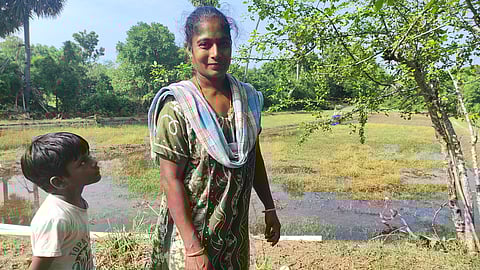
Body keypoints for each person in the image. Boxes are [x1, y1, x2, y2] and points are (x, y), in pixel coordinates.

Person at [148, 6, 281, 270]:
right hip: (192, 238)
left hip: (234, 237)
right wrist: (193, 248)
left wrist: (269, 208)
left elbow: (253, 158)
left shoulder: (247, 101)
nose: (215, 54)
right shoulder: (177, 108)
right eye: (205, 44)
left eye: (223, 44)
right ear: (190, 49)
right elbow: (170, 179)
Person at [20, 132, 101, 270]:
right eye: (82, 162)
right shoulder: (55, 220)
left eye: (89, 156)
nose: (94, 162)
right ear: (59, 181)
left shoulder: (75, 202)